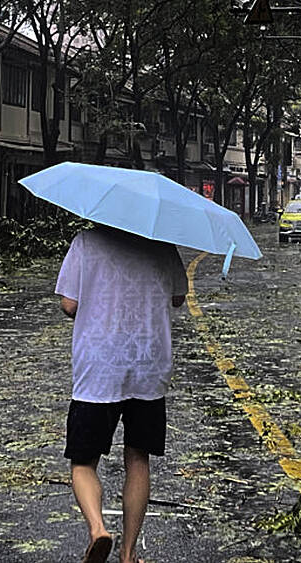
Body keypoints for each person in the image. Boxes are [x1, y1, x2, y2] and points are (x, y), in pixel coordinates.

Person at [55, 225, 188, 563]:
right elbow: (177, 297)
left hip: (99, 368)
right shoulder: (162, 245)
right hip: (149, 363)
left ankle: (98, 529)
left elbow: (69, 304)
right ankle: (128, 555)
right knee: (138, 459)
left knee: (84, 461)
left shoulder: (85, 242)